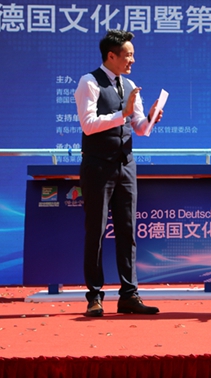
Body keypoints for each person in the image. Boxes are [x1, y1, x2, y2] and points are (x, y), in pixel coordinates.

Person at [74, 29, 163, 317]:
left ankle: (129, 295)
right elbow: (88, 124)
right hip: (98, 166)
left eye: (133, 55)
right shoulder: (89, 82)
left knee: (127, 230)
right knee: (96, 231)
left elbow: (140, 129)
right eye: (128, 55)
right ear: (111, 56)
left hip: (126, 164)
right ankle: (94, 296)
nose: (132, 60)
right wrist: (122, 113)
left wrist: (150, 117)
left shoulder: (130, 84)